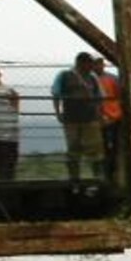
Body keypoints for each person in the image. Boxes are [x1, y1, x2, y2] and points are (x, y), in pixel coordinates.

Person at [51, 52, 104, 185]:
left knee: (95, 147)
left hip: (90, 117)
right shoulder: (64, 75)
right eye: (90, 64)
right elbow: (56, 94)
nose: (92, 67)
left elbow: (100, 96)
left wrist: (98, 113)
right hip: (71, 117)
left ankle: (97, 177)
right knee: (73, 147)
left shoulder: (92, 78)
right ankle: (74, 178)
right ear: (81, 63)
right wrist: (58, 113)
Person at [93, 57, 123, 182]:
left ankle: (110, 172)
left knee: (112, 147)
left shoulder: (112, 79)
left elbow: (119, 96)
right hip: (99, 117)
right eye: (96, 64)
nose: (98, 66)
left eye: (99, 64)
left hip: (113, 115)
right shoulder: (90, 79)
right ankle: (106, 173)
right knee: (102, 147)